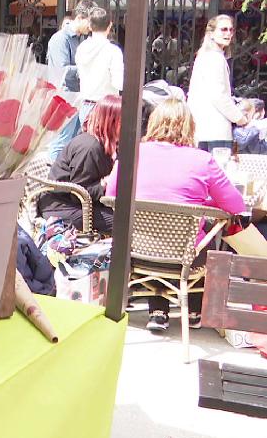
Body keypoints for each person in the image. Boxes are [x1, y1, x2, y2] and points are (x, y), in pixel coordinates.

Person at [104, 99, 245, 331]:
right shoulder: (202, 160)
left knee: (156, 232)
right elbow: (236, 205)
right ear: (189, 126)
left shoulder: (131, 154)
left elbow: (111, 195)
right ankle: (194, 310)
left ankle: (158, 311)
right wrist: (201, 203)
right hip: (185, 258)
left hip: (135, 252)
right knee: (206, 234)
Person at [49, 7, 125, 160]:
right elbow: (119, 83)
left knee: (86, 147)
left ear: (90, 26)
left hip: (85, 103)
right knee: (105, 148)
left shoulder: (82, 48)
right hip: (106, 106)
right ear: (110, 25)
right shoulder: (112, 51)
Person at [39, 94, 122, 234]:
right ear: (112, 121)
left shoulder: (103, 144)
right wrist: (104, 184)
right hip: (63, 209)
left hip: (77, 205)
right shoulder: (90, 147)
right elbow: (78, 192)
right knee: (124, 224)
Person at [188, 14, 247, 152]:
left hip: (205, 129)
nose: (228, 33)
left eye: (231, 30)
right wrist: (239, 118)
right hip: (213, 130)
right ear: (211, 34)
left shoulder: (208, 55)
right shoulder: (213, 58)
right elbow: (218, 95)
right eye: (223, 29)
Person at [46, 0, 93, 93]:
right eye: (89, 22)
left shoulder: (82, 38)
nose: (91, 26)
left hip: (75, 94)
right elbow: (62, 70)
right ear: (79, 18)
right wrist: (87, 68)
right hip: (63, 95)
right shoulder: (60, 38)